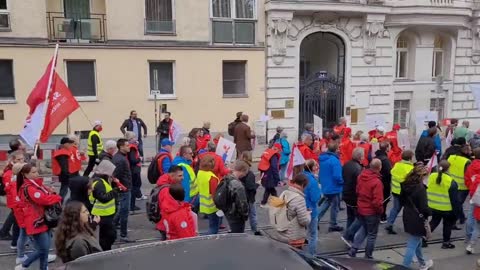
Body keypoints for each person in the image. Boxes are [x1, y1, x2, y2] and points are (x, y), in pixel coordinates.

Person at [16, 164, 62, 270]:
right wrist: (57, 197)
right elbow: (44, 199)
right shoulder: (29, 188)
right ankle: (25, 264)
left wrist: (51, 193)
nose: (36, 174)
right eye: (33, 172)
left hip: (43, 219)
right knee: (43, 249)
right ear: (25, 175)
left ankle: (43, 267)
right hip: (36, 221)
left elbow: (46, 196)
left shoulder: (37, 185)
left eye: (36, 171)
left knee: (45, 248)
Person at [348, 159, 384, 259]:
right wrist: (380, 211)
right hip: (371, 212)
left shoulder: (361, 176)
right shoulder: (377, 182)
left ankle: (353, 249)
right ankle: (368, 256)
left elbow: (357, 191)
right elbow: (377, 202)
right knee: (372, 235)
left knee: (364, 229)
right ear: (379, 168)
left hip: (361, 209)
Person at [400, 164, 433, 269]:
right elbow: (424, 207)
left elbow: (401, 200)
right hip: (417, 218)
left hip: (407, 214)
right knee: (412, 244)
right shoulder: (421, 188)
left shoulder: (405, 184)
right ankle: (405, 267)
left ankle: (423, 263)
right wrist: (430, 213)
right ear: (422, 176)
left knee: (417, 240)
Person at [272, 174, 311, 249]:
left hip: (281, 232)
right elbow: (304, 221)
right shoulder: (299, 199)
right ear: (303, 185)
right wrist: (308, 214)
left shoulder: (285, 193)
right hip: (293, 236)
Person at [427, 160, 460, 249]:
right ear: (448, 169)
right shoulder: (451, 181)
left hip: (433, 206)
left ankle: (423, 239)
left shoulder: (432, 176)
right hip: (447, 209)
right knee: (447, 225)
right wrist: (457, 213)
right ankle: (446, 243)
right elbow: (455, 200)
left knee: (433, 222)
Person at [90, 160, 119, 251]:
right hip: (102, 215)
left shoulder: (103, 180)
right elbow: (103, 198)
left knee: (108, 235)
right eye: (111, 171)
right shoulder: (99, 182)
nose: (112, 174)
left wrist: (114, 185)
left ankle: (106, 250)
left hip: (106, 214)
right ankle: (105, 251)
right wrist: (115, 191)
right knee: (108, 236)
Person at [385, 150, 414, 235]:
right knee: (408, 210)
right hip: (406, 193)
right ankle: (409, 227)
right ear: (410, 158)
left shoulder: (397, 165)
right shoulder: (410, 169)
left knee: (395, 208)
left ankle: (389, 224)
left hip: (396, 191)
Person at [317, 143, 344, 232]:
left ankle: (315, 219)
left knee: (326, 203)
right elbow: (337, 176)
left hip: (326, 186)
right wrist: (342, 182)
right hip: (334, 187)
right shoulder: (335, 160)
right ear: (336, 150)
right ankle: (333, 224)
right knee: (335, 206)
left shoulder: (323, 159)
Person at [0, 151, 25, 243]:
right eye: (19, 159)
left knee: (16, 220)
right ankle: (12, 238)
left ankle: (13, 239)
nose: (21, 161)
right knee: (16, 219)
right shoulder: (10, 172)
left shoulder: (18, 169)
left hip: (17, 200)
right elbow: (12, 188)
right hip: (15, 200)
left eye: (22, 159)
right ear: (12, 161)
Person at [341, 148, 364, 244]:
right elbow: (360, 184)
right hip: (354, 196)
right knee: (359, 218)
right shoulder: (358, 169)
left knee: (350, 217)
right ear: (360, 157)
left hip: (346, 194)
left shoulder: (346, 164)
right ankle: (348, 235)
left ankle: (349, 237)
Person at [155, 166, 184, 240]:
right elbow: (169, 208)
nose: (182, 178)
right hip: (167, 224)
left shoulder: (166, 184)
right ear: (172, 175)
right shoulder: (166, 190)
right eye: (180, 176)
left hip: (164, 223)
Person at [112, 138, 133, 242]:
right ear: (121, 147)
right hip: (124, 188)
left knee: (121, 210)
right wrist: (122, 186)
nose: (129, 147)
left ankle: (113, 226)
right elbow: (116, 176)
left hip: (125, 186)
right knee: (124, 211)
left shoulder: (121, 157)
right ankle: (123, 235)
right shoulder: (120, 159)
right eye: (127, 145)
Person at [223, 161, 250, 233]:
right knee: (238, 234)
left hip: (228, 212)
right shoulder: (238, 185)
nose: (245, 175)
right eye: (245, 173)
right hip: (236, 215)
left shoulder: (226, 178)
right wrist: (245, 215)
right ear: (242, 171)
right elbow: (242, 204)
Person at [196, 155, 221, 234]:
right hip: (212, 206)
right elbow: (215, 193)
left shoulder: (200, 173)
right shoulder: (211, 177)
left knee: (211, 224)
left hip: (204, 203)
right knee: (214, 227)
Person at [448, 144, 472, 225]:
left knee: (457, 202)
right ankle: (452, 222)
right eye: (469, 150)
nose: (471, 152)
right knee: (457, 204)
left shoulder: (451, 157)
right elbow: (468, 174)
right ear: (466, 151)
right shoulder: (467, 162)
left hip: (452, 183)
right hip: (462, 186)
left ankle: (461, 218)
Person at [239, 151, 260, 235]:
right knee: (252, 214)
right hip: (249, 197)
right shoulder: (249, 172)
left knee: (241, 215)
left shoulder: (238, 168)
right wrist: (257, 184)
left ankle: (240, 231)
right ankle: (254, 230)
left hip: (240, 197)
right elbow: (250, 186)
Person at [303, 159, 322, 255]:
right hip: (311, 210)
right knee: (313, 234)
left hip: (301, 208)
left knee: (302, 232)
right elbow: (315, 198)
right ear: (311, 168)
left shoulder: (301, 176)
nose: (317, 167)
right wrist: (319, 190)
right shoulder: (313, 181)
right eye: (315, 166)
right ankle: (312, 255)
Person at [465, 147, 480, 253]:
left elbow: (466, 179)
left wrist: (471, 188)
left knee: (470, 217)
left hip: (473, 194)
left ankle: (468, 237)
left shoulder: (470, 166)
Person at [125, 132, 143, 212]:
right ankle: (132, 206)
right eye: (134, 137)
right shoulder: (132, 148)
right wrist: (140, 159)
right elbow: (133, 160)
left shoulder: (131, 146)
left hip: (133, 169)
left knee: (134, 187)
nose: (136, 139)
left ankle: (131, 205)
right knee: (135, 187)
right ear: (130, 139)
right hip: (134, 169)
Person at [375, 141, 392, 223]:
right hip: (384, 183)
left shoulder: (376, 157)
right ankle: (382, 216)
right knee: (384, 200)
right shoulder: (385, 160)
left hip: (377, 181)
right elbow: (389, 172)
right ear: (386, 148)